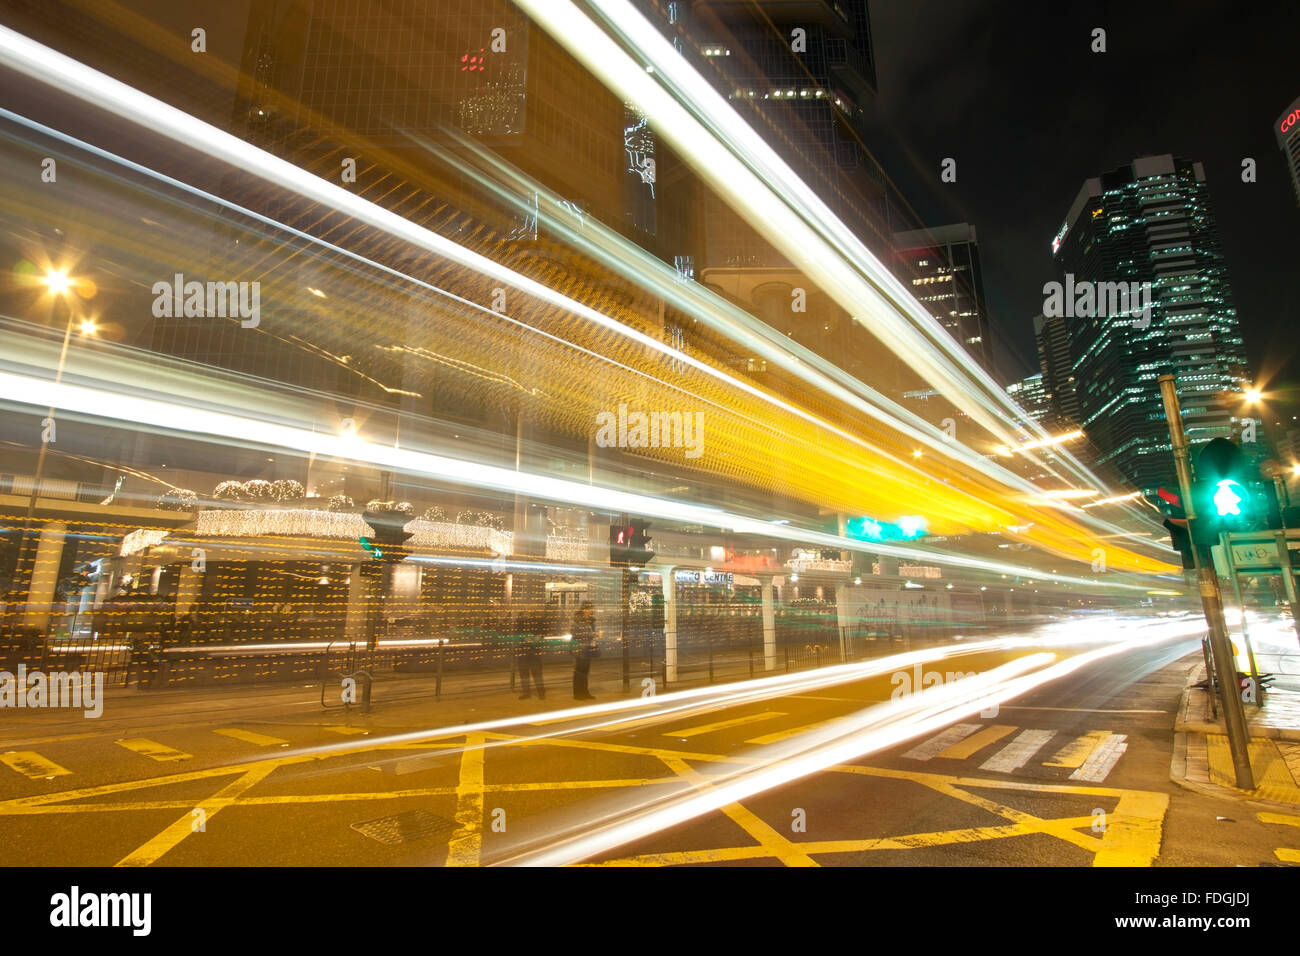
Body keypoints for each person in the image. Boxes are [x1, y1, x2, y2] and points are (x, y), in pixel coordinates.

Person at [516, 611, 546, 700]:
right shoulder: (520, 626)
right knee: (527, 674)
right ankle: (530, 692)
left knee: (535, 673)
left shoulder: (536, 624)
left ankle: (539, 692)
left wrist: (537, 638)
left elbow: (542, 633)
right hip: (526, 653)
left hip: (530, 652)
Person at [571, 601, 597, 700]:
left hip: (588, 649)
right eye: (590, 608)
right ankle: (578, 694)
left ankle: (585, 692)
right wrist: (592, 635)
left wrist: (594, 636)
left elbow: (591, 632)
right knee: (579, 672)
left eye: (592, 608)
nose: (592, 610)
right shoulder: (577, 620)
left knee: (585, 672)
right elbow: (576, 634)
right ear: (584, 609)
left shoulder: (590, 621)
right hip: (579, 649)